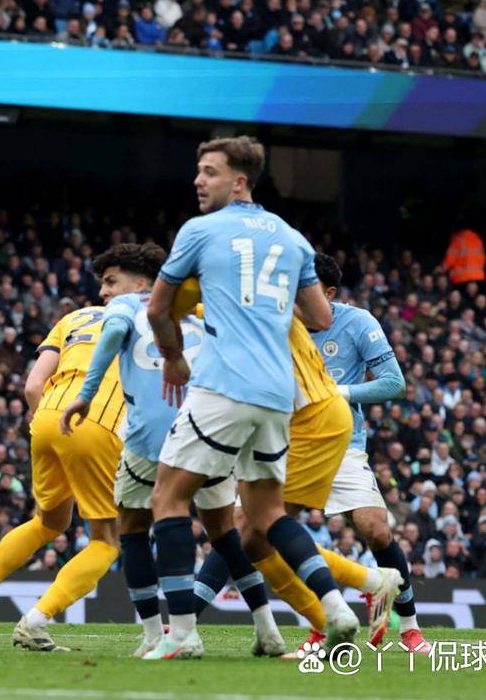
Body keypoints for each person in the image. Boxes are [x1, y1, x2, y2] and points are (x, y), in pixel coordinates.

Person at [142, 136, 355, 659]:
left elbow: (156, 309)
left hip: (223, 384)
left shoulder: (200, 230)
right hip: (279, 395)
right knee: (266, 514)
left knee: (167, 498)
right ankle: (335, 607)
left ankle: (184, 633)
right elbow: (320, 317)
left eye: (209, 172)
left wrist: (173, 356)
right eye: (198, 171)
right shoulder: (292, 237)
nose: (198, 181)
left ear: (239, 181)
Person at [178, 268, 400, 656]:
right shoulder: (274, 313)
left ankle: (346, 601)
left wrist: (158, 299)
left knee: (255, 527)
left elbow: (190, 304)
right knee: (252, 534)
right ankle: (347, 599)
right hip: (288, 426)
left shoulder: (259, 310)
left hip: (311, 425)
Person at [59, 243, 259, 658]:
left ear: (142, 283)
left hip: (151, 443)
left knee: (133, 530)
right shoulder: (202, 311)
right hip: (211, 435)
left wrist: (86, 394)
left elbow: (113, 332)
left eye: (111, 281)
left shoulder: (129, 307)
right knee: (224, 535)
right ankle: (267, 629)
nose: (103, 292)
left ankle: (162, 633)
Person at [0, 251, 130, 652]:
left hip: (45, 418)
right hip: (98, 419)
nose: (103, 289)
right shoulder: (150, 318)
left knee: (48, 522)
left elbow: (31, 386)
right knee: (106, 540)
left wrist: (53, 422)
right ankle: (35, 621)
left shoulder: (74, 318)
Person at [311, 253, 430, 654]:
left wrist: (339, 393)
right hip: (286, 445)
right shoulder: (280, 323)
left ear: (327, 292)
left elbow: (394, 383)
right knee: (259, 532)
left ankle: (410, 629)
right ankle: (320, 622)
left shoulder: (357, 322)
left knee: (376, 529)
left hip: (342, 443)